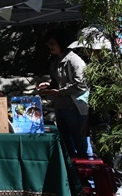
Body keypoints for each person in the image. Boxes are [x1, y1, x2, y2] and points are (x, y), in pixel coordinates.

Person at [37, 29, 90, 157]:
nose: (50, 47)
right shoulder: (56, 60)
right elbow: (56, 82)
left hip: (74, 109)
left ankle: (88, 176)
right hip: (60, 108)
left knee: (81, 145)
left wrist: (60, 92)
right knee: (66, 146)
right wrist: (49, 85)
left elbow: (81, 84)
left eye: (52, 43)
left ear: (61, 43)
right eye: (48, 44)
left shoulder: (74, 60)